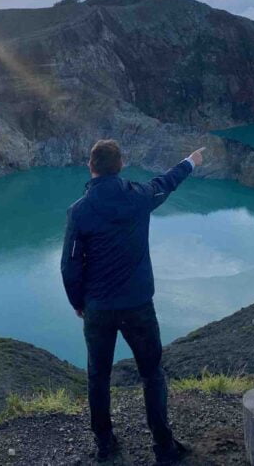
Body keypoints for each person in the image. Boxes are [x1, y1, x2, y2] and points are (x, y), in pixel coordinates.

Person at [61, 139, 205, 464]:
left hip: (98, 308)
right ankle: (164, 447)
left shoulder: (79, 211)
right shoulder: (140, 197)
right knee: (152, 374)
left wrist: (78, 302)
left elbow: (70, 266)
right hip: (138, 305)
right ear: (121, 165)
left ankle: (104, 444)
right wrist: (191, 160)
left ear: (91, 166)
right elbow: (167, 182)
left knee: (98, 376)